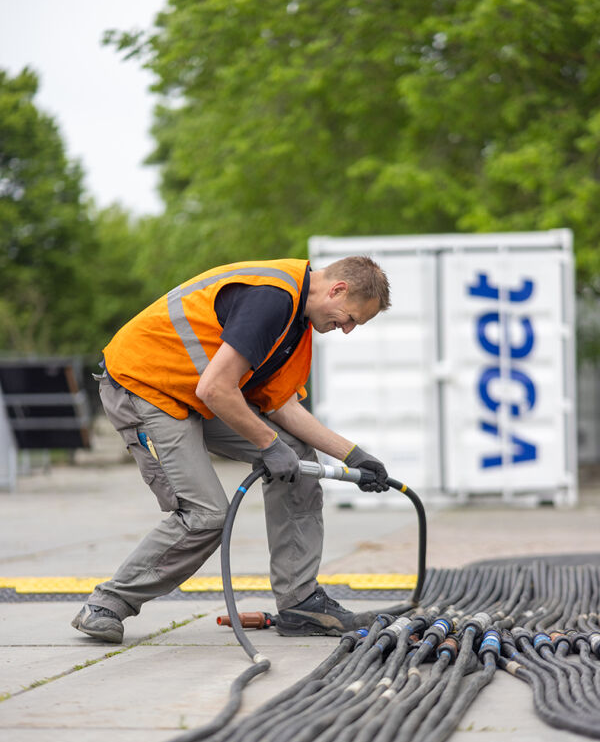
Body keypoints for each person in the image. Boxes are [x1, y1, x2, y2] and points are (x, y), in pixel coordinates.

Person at [71, 256, 390, 644]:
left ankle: (301, 601)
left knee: (297, 457)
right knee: (206, 515)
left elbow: (281, 405)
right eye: (351, 318)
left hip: (194, 394)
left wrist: (353, 456)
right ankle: (106, 604)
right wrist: (265, 444)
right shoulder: (273, 298)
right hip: (145, 387)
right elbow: (216, 388)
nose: (348, 330)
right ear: (338, 289)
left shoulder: (298, 323)